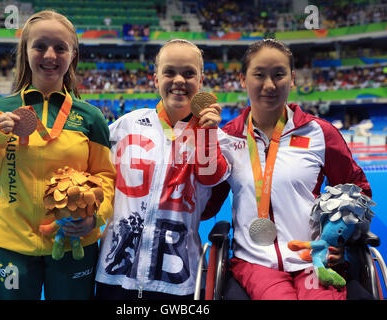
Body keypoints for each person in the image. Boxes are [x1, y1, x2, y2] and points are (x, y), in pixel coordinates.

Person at [202, 39, 372, 300]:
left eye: (279, 75)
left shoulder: (319, 133)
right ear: (243, 79)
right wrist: (201, 144)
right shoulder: (228, 138)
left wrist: (341, 238)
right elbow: (208, 206)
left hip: (313, 258)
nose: (269, 85)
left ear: (292, 79)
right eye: (259, 75)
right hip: (254, 262)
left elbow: (358, 190)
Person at [0, 10, 116, 300]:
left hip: (75, 240)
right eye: (40, 46)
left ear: (72, 54)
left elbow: (105, 177)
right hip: (12, 243)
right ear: (26, 52)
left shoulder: (91, 117)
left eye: (60, 47)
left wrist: (96, 215)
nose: (50, 55)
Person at [95, 39, 230, 299]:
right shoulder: (127, 126)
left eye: (189, 73)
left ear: (200, 81)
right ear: (155, 79)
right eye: (169, 72)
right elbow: (88, 159)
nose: (179, 80)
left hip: (176, 278)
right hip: (115, 271)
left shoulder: (213, 136)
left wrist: (207, 133)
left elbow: (211, 176)